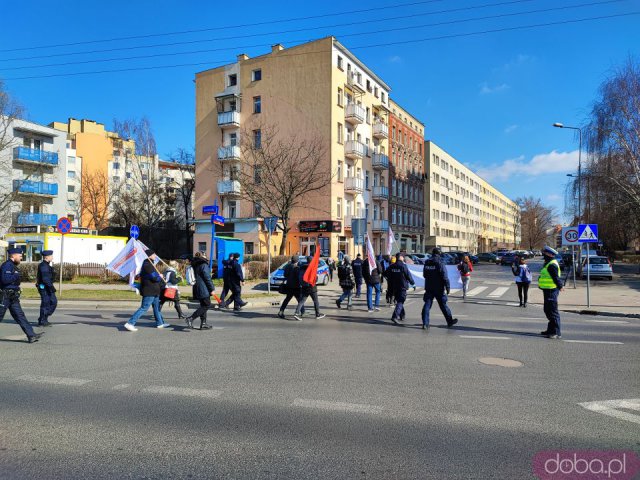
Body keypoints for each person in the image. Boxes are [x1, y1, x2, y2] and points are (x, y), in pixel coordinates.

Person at [0, 247, 43, 343]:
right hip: (5, 296)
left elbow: (12, 281)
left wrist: (17, 288)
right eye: (20, 256)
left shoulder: (13, 266)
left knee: (20, 316)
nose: (21, 258)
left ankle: (31, 335)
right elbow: (5, 280)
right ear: (13, 256)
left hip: (13, 296)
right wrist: (16, 275)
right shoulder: (7, 265)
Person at [124, 249, 170, 332]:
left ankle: (160, 323)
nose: (155, 256)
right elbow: (155, 278)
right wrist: (160, 276)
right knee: (144, 308)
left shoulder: (151, 264)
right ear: (149, 255)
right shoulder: (147, 265)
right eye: (154, 254)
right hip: (150, 291)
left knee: (156, 307)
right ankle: (130, 323)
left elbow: (155, 276)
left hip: (155, 291)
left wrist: (160, 276)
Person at [422, 248, 458, 330]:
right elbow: (444, 276)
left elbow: (424, 274)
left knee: (427, 305)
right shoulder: (439, 262)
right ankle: (449, 321)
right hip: (439, 288)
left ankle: (425, 323)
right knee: (443, 305)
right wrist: (448, 287)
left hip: (429, 287)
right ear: (439, 253)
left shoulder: (427, 262)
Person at [184, 251, 216, 330]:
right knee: (207, 305)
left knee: (203, 305)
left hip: (197, 287)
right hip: (203, 288)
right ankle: (191, 318)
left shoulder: (194, 264)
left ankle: (203, 323)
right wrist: (212, 289)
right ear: (204, 256)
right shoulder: (203, 264)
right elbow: (207, 278)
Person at [539, 245, 564, 339]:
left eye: (545, 253)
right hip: (547, 290)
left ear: (550, 254)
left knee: (553, 311)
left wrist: (560, 286)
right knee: (547, 310)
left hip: (551, 290)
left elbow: (555, 277)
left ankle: (556, 332)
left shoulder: (552, 264)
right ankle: (550, 330)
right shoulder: (548, 262)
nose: (543, 254)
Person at [384, 252, 415, 325]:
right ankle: (395, 316)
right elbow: (408, 275)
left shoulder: (392, 266)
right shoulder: (403, 266)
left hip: (395, 287)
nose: (404, 258)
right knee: (401, 301)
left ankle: (402, 315)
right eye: (403, 257)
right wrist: (413, 283)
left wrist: (390, 279)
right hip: (402, 286)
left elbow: (385, 273)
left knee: (399, 301)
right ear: (400, 257)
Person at [294, 256, 325, 321]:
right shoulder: (312, 268)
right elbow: (315, 279)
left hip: (304, 287)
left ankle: (296, 313)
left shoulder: (302, 267)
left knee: (302, 301)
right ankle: (317, 314)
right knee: (316, 301)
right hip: (312, 287)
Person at [36, 249, 57, 327]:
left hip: (48, 287)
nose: (52, 257)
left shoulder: (47, 265)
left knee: (53, 302)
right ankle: (42, 320)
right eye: (51, 256)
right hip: (44, 288)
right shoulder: (43, 266)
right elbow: (45, 279)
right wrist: (51, 287)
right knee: (45, 304)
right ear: (47, 257)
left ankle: (43, 317)